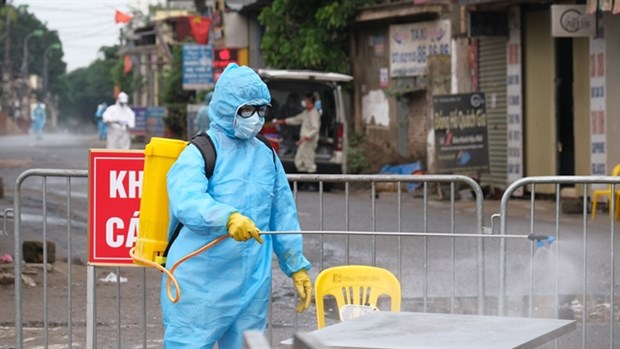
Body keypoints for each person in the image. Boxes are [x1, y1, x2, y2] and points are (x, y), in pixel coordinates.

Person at [161, 63, 312, 349]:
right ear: (227, 107)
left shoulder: (266, 154)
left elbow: (283, 213)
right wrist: (227, 218)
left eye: (261, 110)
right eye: (247, 110)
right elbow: (186, 199)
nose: (255, 118)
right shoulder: (201, 152)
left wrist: (296, 266)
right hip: (199, 283)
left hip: (250, 285)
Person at [273, 92, 320, 174]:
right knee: (299, 162)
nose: (303, 101)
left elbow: (315, 129)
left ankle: (312, 184)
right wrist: (282, 121)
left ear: (309, 100)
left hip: (308, 142)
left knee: (309, 162)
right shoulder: (306, 112)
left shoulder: (314, 113)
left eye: (305, 99)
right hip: (303, 142)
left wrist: (305, 137)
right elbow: (296, 119)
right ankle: (303, 183)